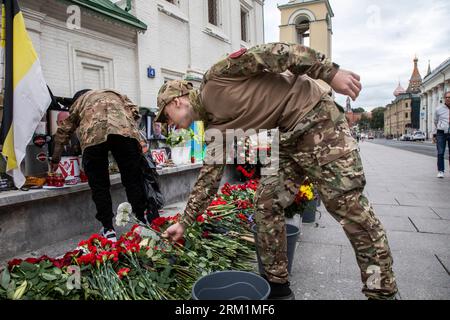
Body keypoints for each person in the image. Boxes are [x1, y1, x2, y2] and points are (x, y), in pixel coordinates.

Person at [156, 42, 398, 300]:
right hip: (286, 138)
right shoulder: (216, 130)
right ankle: (278, 288)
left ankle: (381, 292)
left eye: (165, 116)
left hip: (318, 121)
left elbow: (276, 53)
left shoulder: (217, 79)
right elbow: (208, 181)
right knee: (266, 202)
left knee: (350, 210)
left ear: (177, 101)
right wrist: (184, 223)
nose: (169, 125)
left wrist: (329, 72)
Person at [51, 89, 151, 242]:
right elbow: (134, 112)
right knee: (132, 179)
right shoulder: (115, 94)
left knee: (100, 185)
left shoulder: (80, 102)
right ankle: (142, 223)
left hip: (93, 137)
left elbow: (64, 130)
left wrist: (56, 159)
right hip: (123, 132)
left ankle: (108, 230)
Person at [433, 91, 450, 179]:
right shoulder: (439, 109)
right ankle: (440, 171)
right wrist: (440, 128)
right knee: (440, 152)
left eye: (449, 97)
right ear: (444, 98)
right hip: (441, 133)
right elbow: (435, 121)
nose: (448, 99)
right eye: (446, 97)